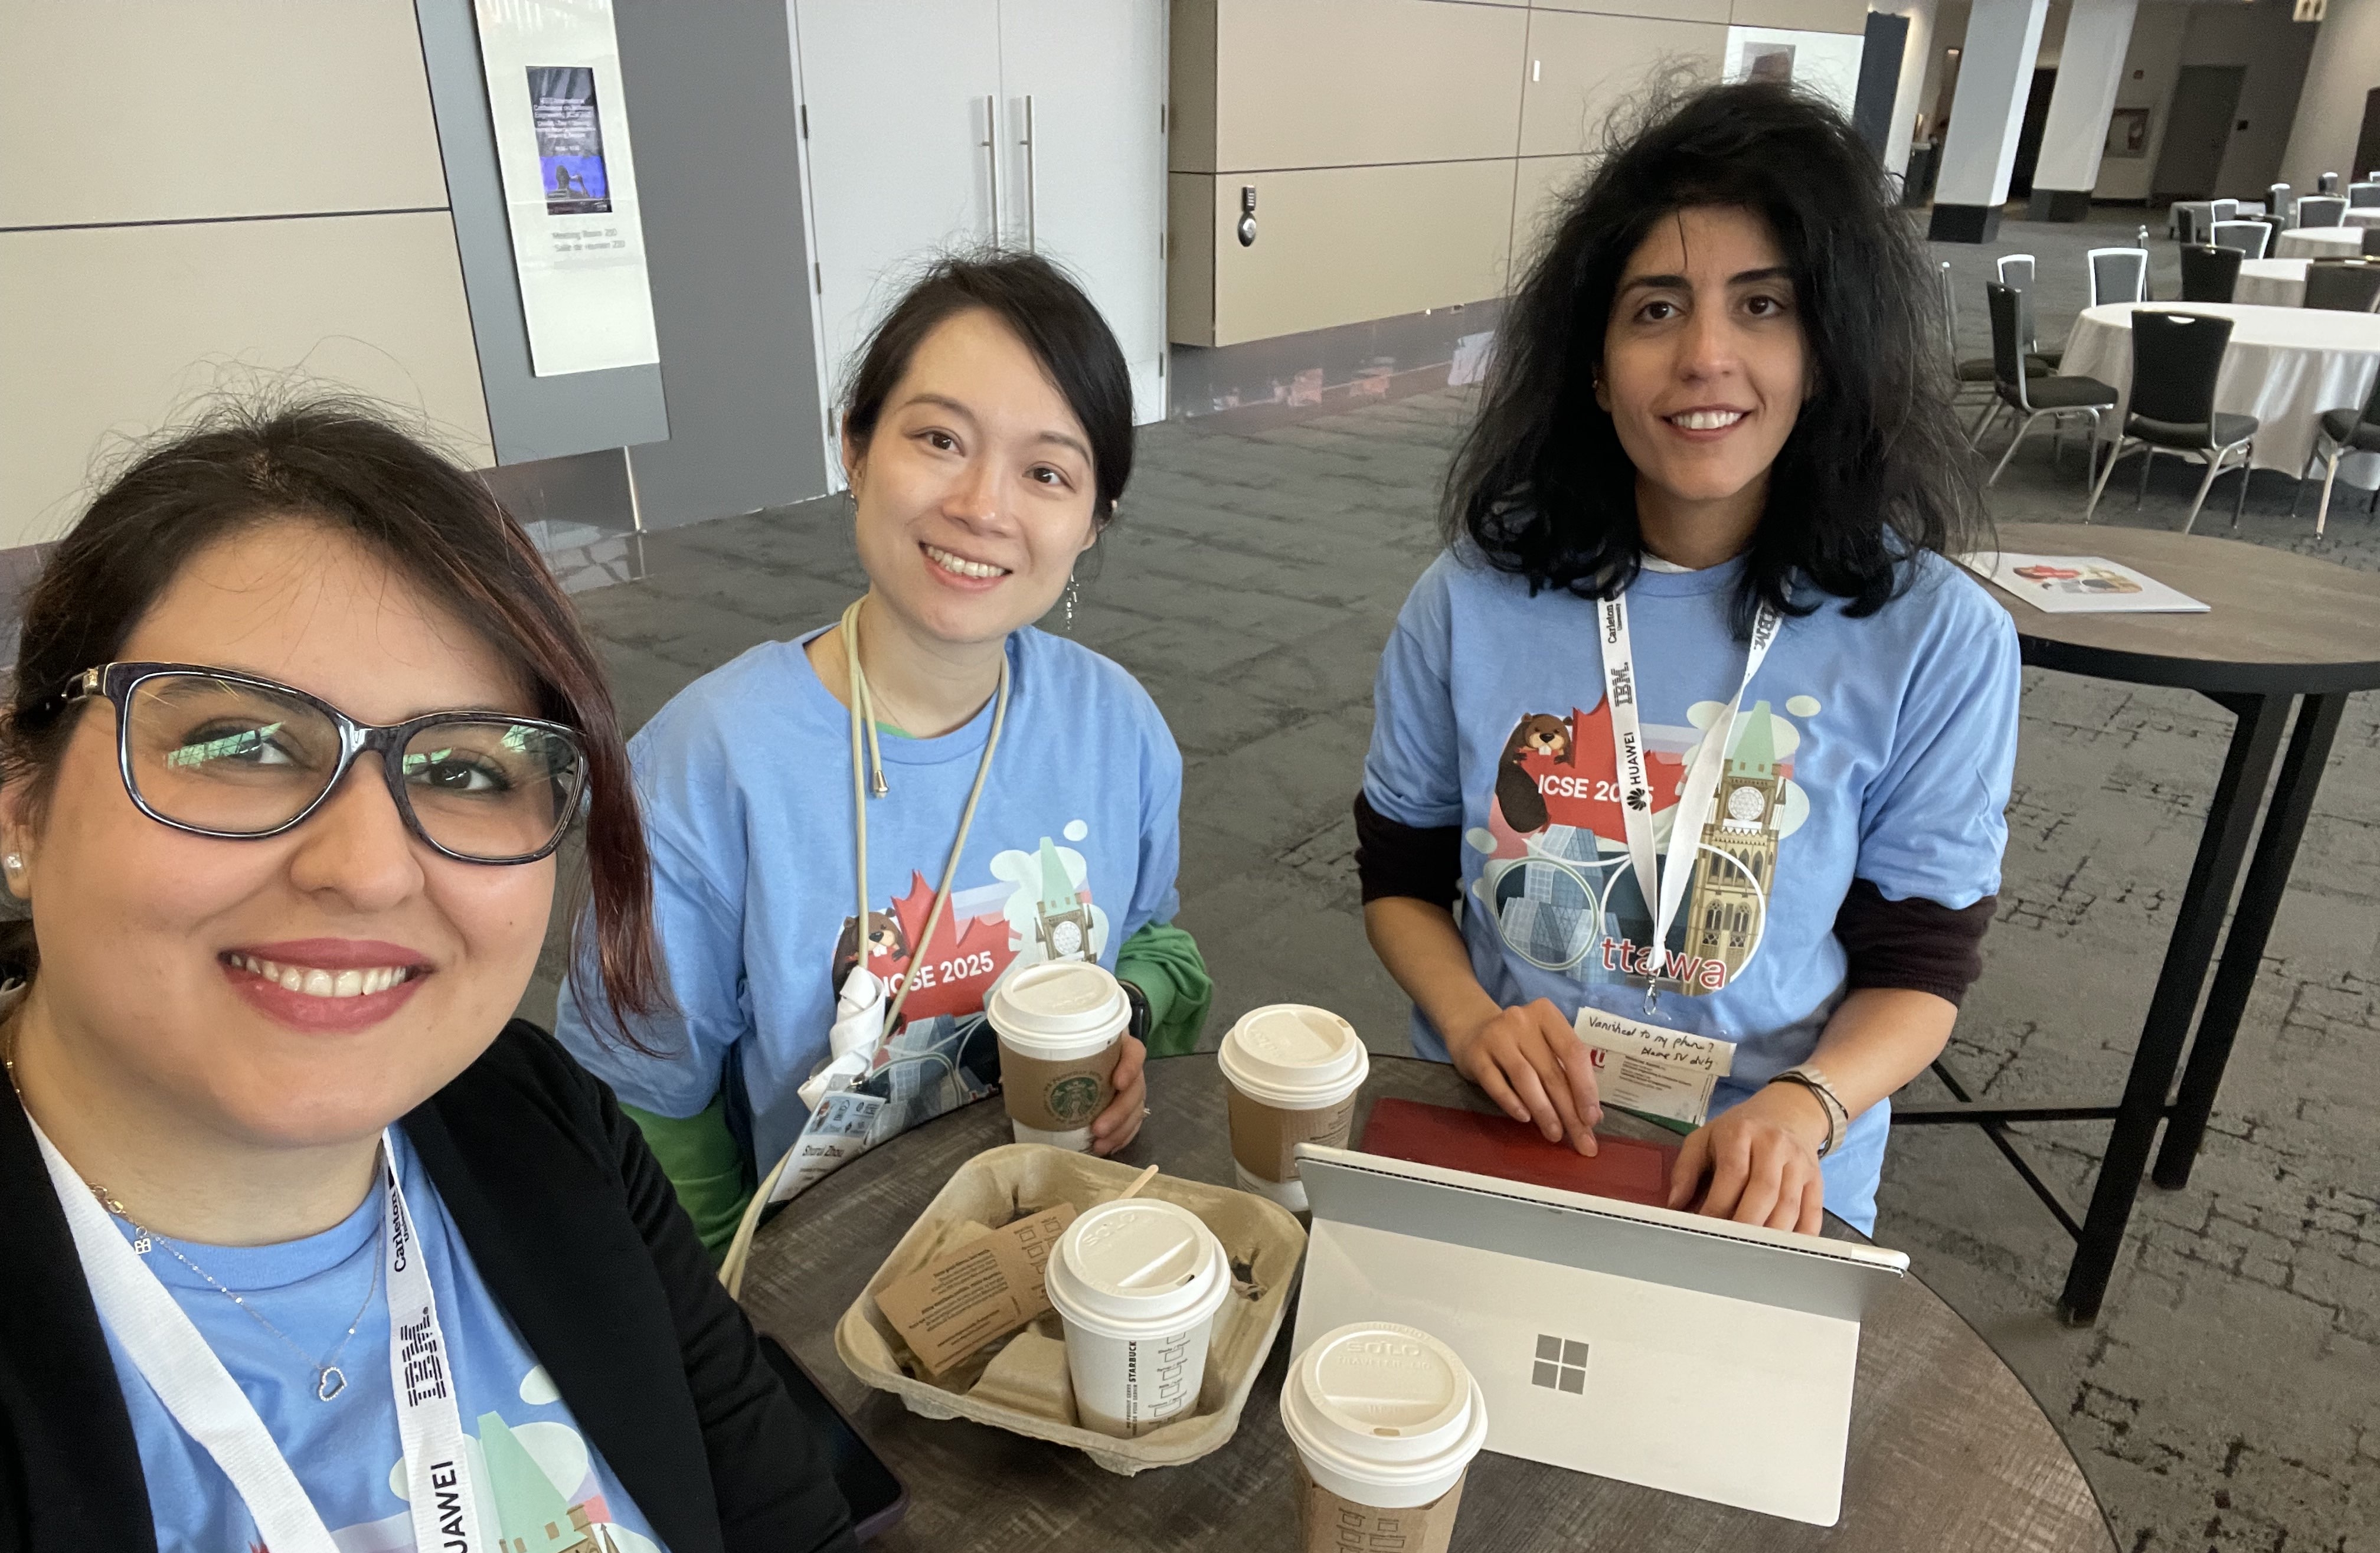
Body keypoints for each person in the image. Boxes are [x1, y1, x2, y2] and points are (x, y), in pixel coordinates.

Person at [0, 403, 901, 1553]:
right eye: (241, 744)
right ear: (21, 804)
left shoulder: (528, 1122)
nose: (367, 868)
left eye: (468, 768)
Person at [1356, 81, 2017, 1237]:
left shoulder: (1937, 636)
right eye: (1656, 311)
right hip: (1502, 1122)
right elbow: (1400, 881)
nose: (1707, 355)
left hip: (1761, 1171)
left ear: (1824, 352)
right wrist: (1469, 1019)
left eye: (1762, 306)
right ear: (1598, 369)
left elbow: (1920, 966)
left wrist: (1811, 1106)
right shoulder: (1468, 599)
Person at [558, 251, 1209, 1257]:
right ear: (856, 448)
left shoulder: (1115, 728)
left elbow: (1156, 946)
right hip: (816, 1307)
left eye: (1046, 472)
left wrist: (1123, 1014)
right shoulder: (710, 761)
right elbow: (647, 1109)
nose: (984, 507)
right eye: (940, 439)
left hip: (1073, 1253)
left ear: (1093, 520)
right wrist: (745, 1332)